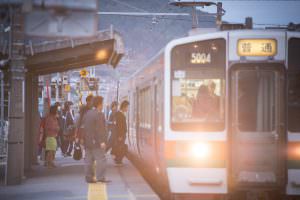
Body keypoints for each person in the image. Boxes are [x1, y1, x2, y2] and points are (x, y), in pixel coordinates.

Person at [81, 96, 110, 183]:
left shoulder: (87, 113)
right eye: (102, 103)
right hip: (97, 143)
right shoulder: (99, 114)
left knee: (88, 161)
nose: (102, 105)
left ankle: (89, 178)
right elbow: (100, 129)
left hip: (88, 142)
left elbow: (84, 128)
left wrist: (83, 139)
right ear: (99, 104)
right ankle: (101, 177)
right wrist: (102, 141)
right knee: (101, 159)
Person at [113, 100, 129, 166]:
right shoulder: (120, 115)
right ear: (124, 107)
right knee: (120, 147)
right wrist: (120, 135)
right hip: (120, 135)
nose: (127, 109)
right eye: (127, 107)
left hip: (121, 134)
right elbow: (119, 126)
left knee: (120, 147)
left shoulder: (120, 114)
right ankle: (118, 161)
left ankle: (118, 160)